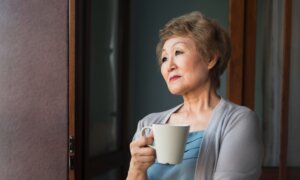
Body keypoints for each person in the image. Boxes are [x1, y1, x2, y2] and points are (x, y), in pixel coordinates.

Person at [127, 11, 263, 180]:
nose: (169, 66)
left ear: (210, 59)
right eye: (164, 58)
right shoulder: (148, 124)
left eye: (178, 52)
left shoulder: (238, 121)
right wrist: (136, 170)